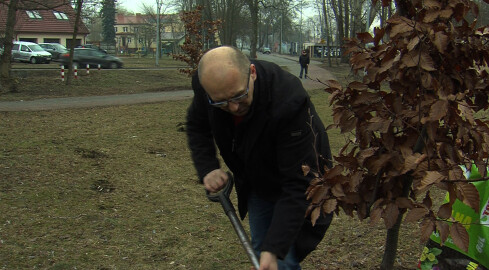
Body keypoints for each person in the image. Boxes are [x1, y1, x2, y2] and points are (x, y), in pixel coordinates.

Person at [186, 46, 333, 270]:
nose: (233, 107)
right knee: (263, 247)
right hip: (256, 175)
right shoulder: (207, 86)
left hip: (298, 174)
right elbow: (197, 125)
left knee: (280, 253)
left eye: (239, 95)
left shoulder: (289, 100)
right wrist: (208, 167)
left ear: (252, 72)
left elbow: (297, 184)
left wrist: (274, 247)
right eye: (221, 102)